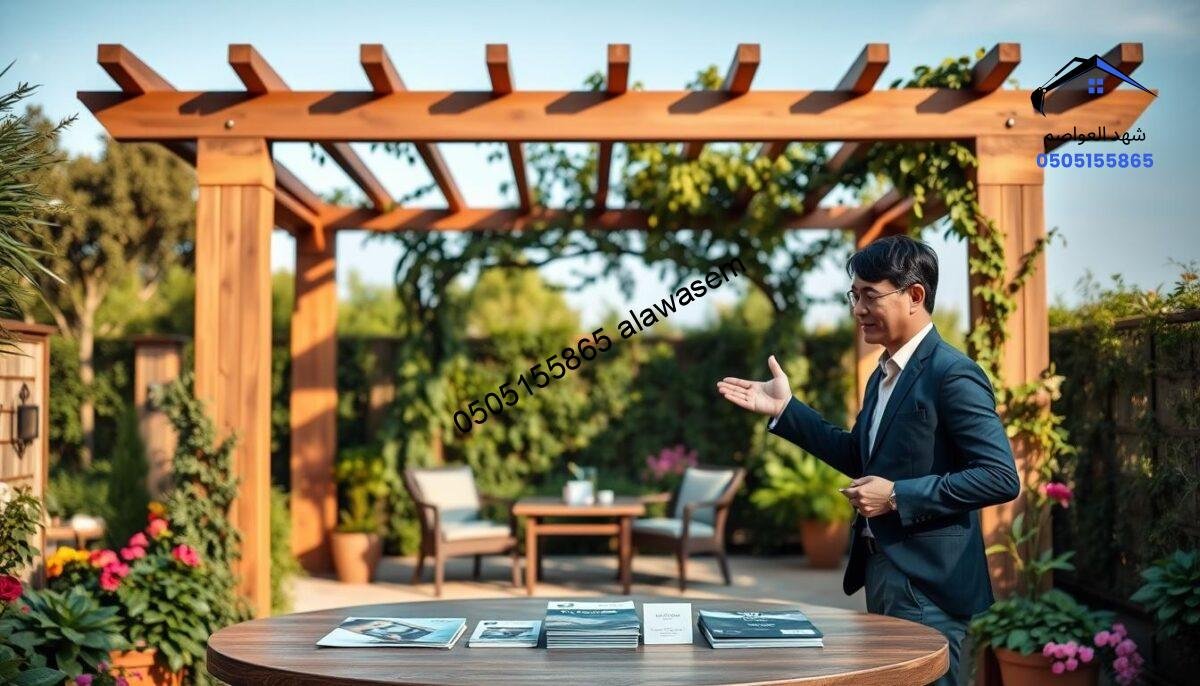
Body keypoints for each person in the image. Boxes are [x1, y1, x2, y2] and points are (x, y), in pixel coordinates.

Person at [716, 235, 1020, 686]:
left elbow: (1000, 477)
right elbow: (859, 456)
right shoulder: (882, 374)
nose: (857, 308)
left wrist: (897, 495)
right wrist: (786, 411)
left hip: (931, 585)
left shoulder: (952, 373)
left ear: (914, 295)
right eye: (853, 295)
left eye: (869, 295)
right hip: (882, 571)